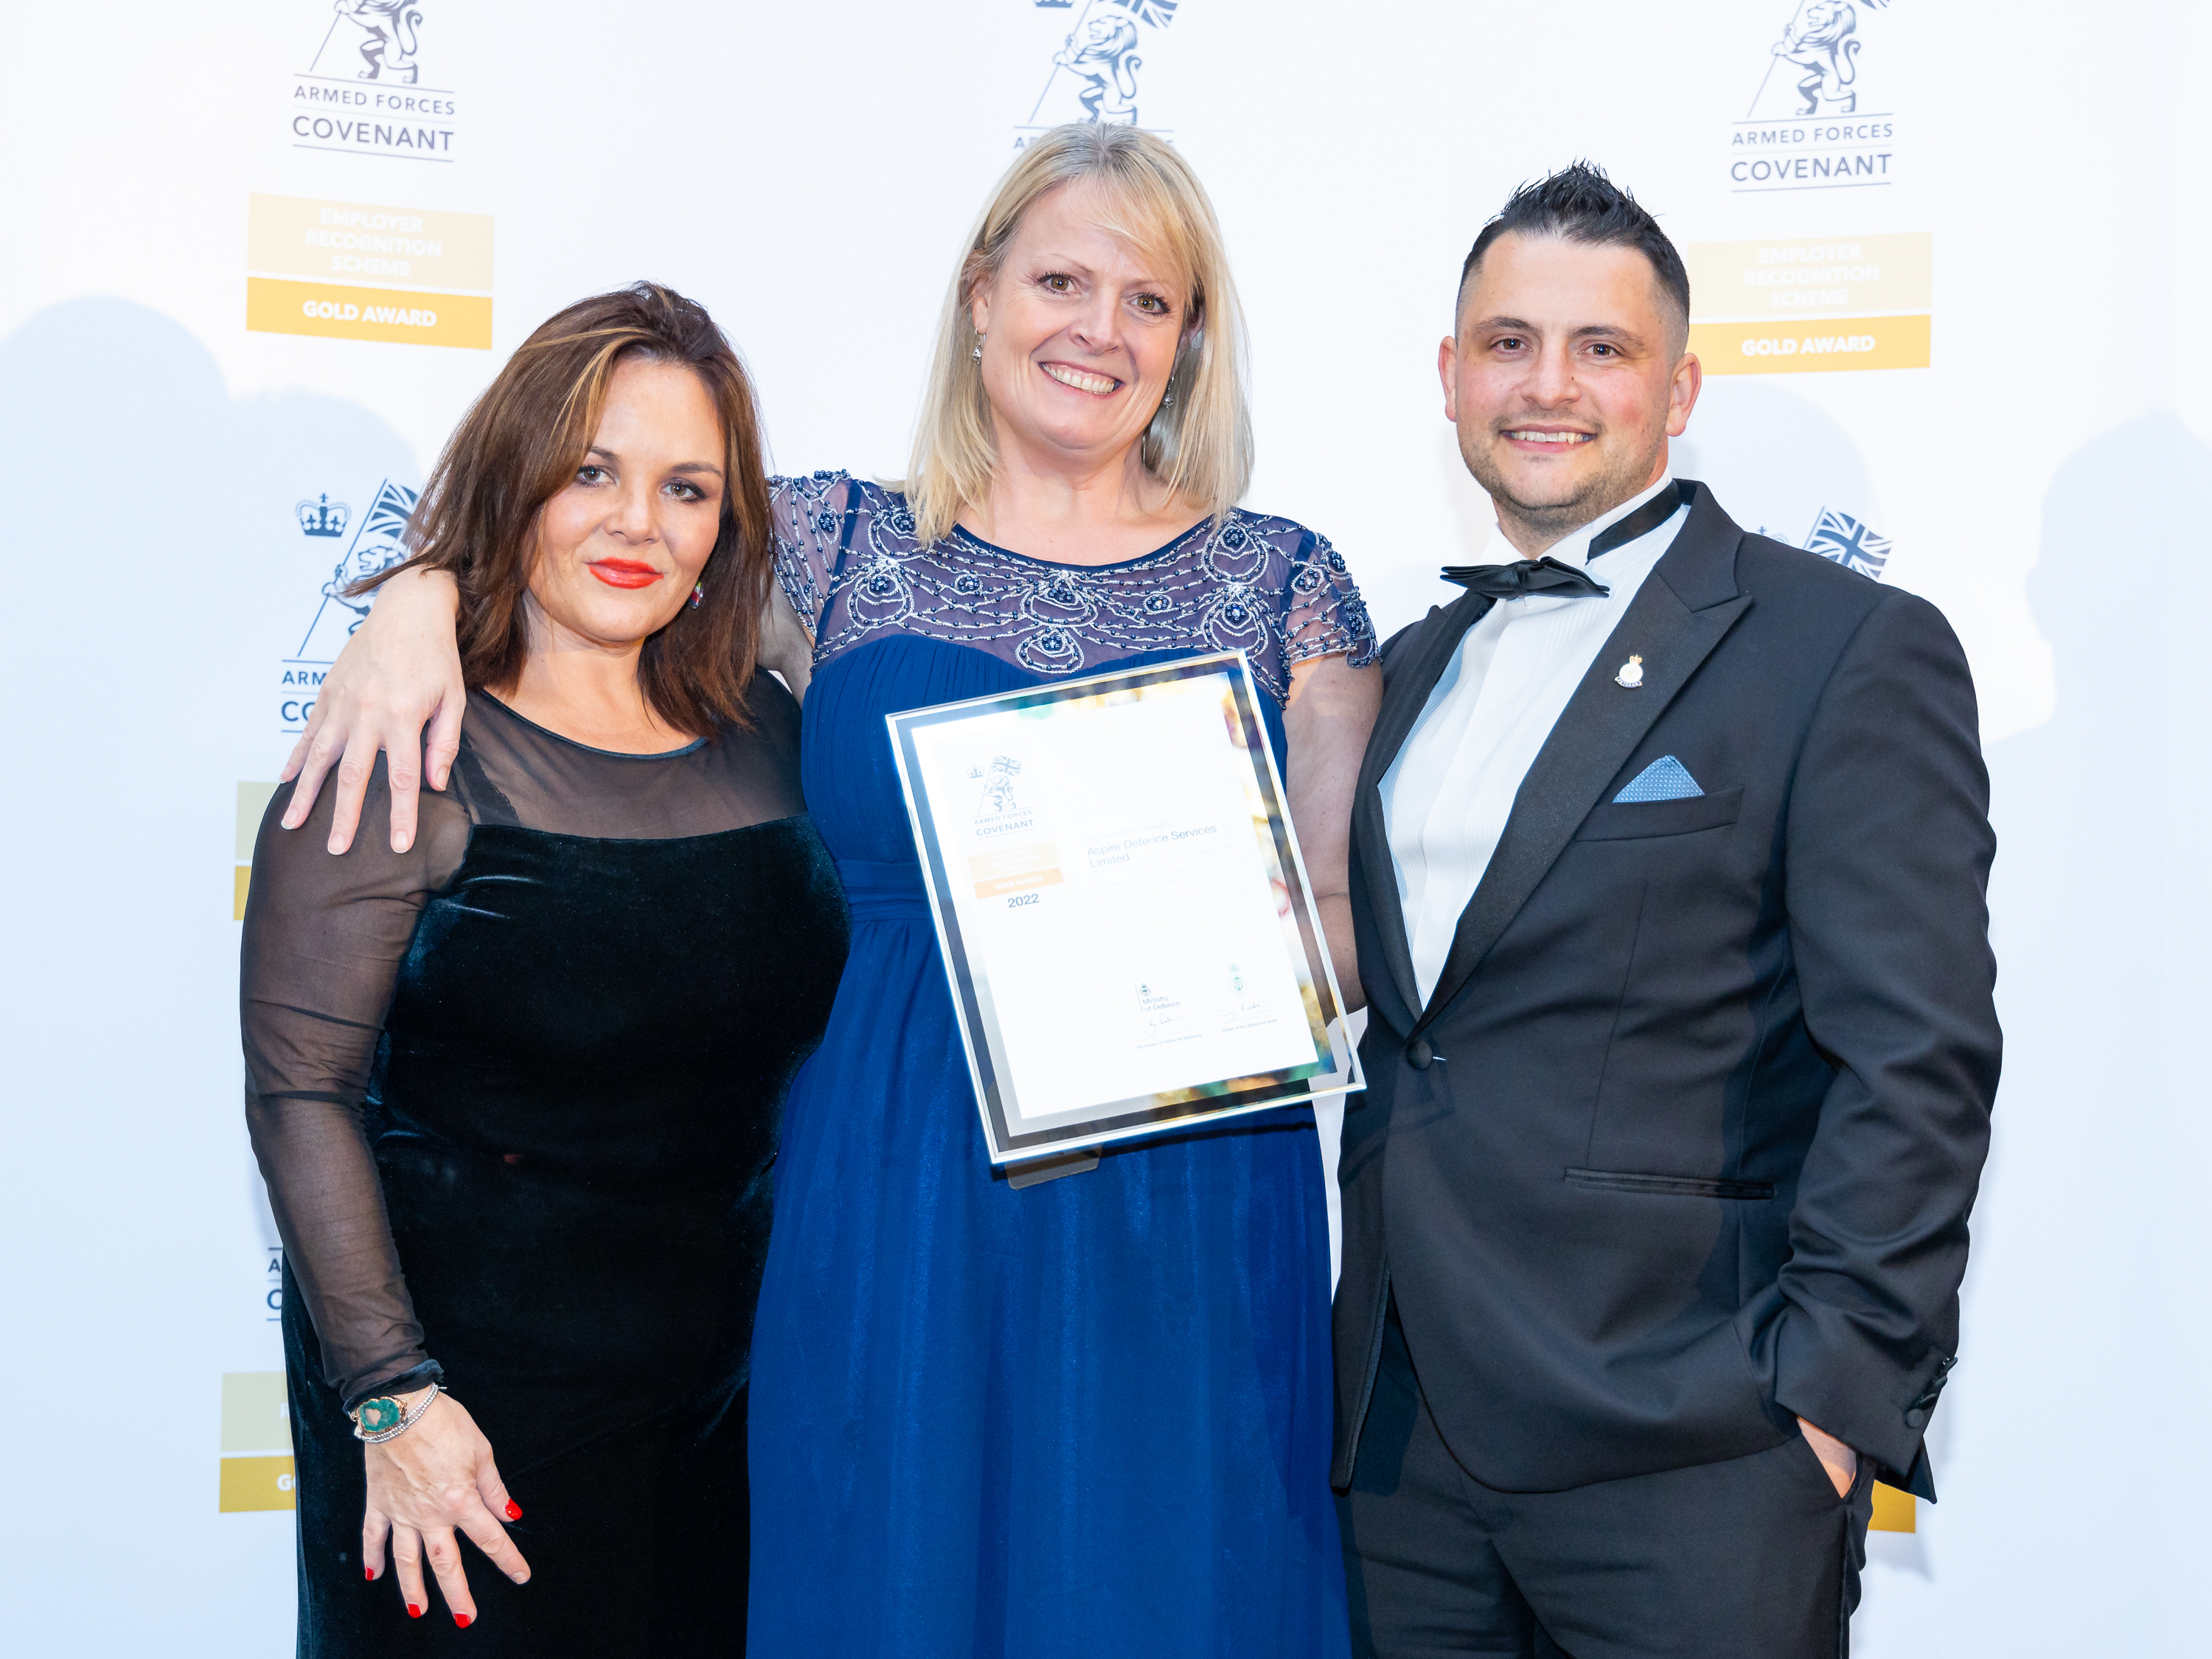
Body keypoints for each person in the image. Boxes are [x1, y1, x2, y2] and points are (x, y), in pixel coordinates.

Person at [279, 125, 1380, 1656]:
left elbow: (1339, 928)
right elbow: (598, 545)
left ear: (1191, 338)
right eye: (1060, 282)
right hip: (886, 1182)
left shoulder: (1288, 581)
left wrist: (1191, 961)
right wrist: (415, 597)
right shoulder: (831, 542)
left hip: (1179, 1201)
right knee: (888, 1579)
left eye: (1150, 300)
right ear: (980, 295)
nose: (1099, 330)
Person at [1332, 164, 2000, 1656]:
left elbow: (1918, 1059)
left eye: (1602, 348)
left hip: (1693, 1453)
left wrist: (1830, 1404)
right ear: (1450, 376)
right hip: (1403, 1459)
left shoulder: (1842, 648)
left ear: (1680, 389)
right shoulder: (1411, 664)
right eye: (1508, 343)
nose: (1547, 385)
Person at [242, 283, 851, 1655]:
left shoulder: (774, 729)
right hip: (460, 1434)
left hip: (729, 1410)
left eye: (687, 487)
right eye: (590, 472)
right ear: (519, 477)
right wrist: (395, 1398)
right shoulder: (399, 743)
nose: (639, 522)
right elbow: (299, 1093)